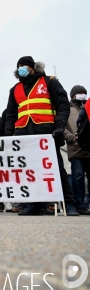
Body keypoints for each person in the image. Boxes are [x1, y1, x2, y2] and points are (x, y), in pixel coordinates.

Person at [4, 56, 78, 216]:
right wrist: (8, 135)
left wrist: (59, 126)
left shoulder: (50, 82)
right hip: (26, 137)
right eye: (18, 66)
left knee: (57, 169)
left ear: (32, 67)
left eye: (23, 65)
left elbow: (63, 105)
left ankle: (68, 203)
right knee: (31, 171)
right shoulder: (15, 89)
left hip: (47, 134)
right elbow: (10, 114)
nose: (20, 68)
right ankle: (36, 204)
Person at [63, 85, 90, 215]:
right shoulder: (67, 109)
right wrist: (71, 138)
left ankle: (87, 204)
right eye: (79, 93)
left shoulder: (89, 107)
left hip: (89, 149)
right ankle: (79, 204)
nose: (82, 95)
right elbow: (63, 127)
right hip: (76, 149)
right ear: (73, 95)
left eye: (84, 93)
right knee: (77, 177)